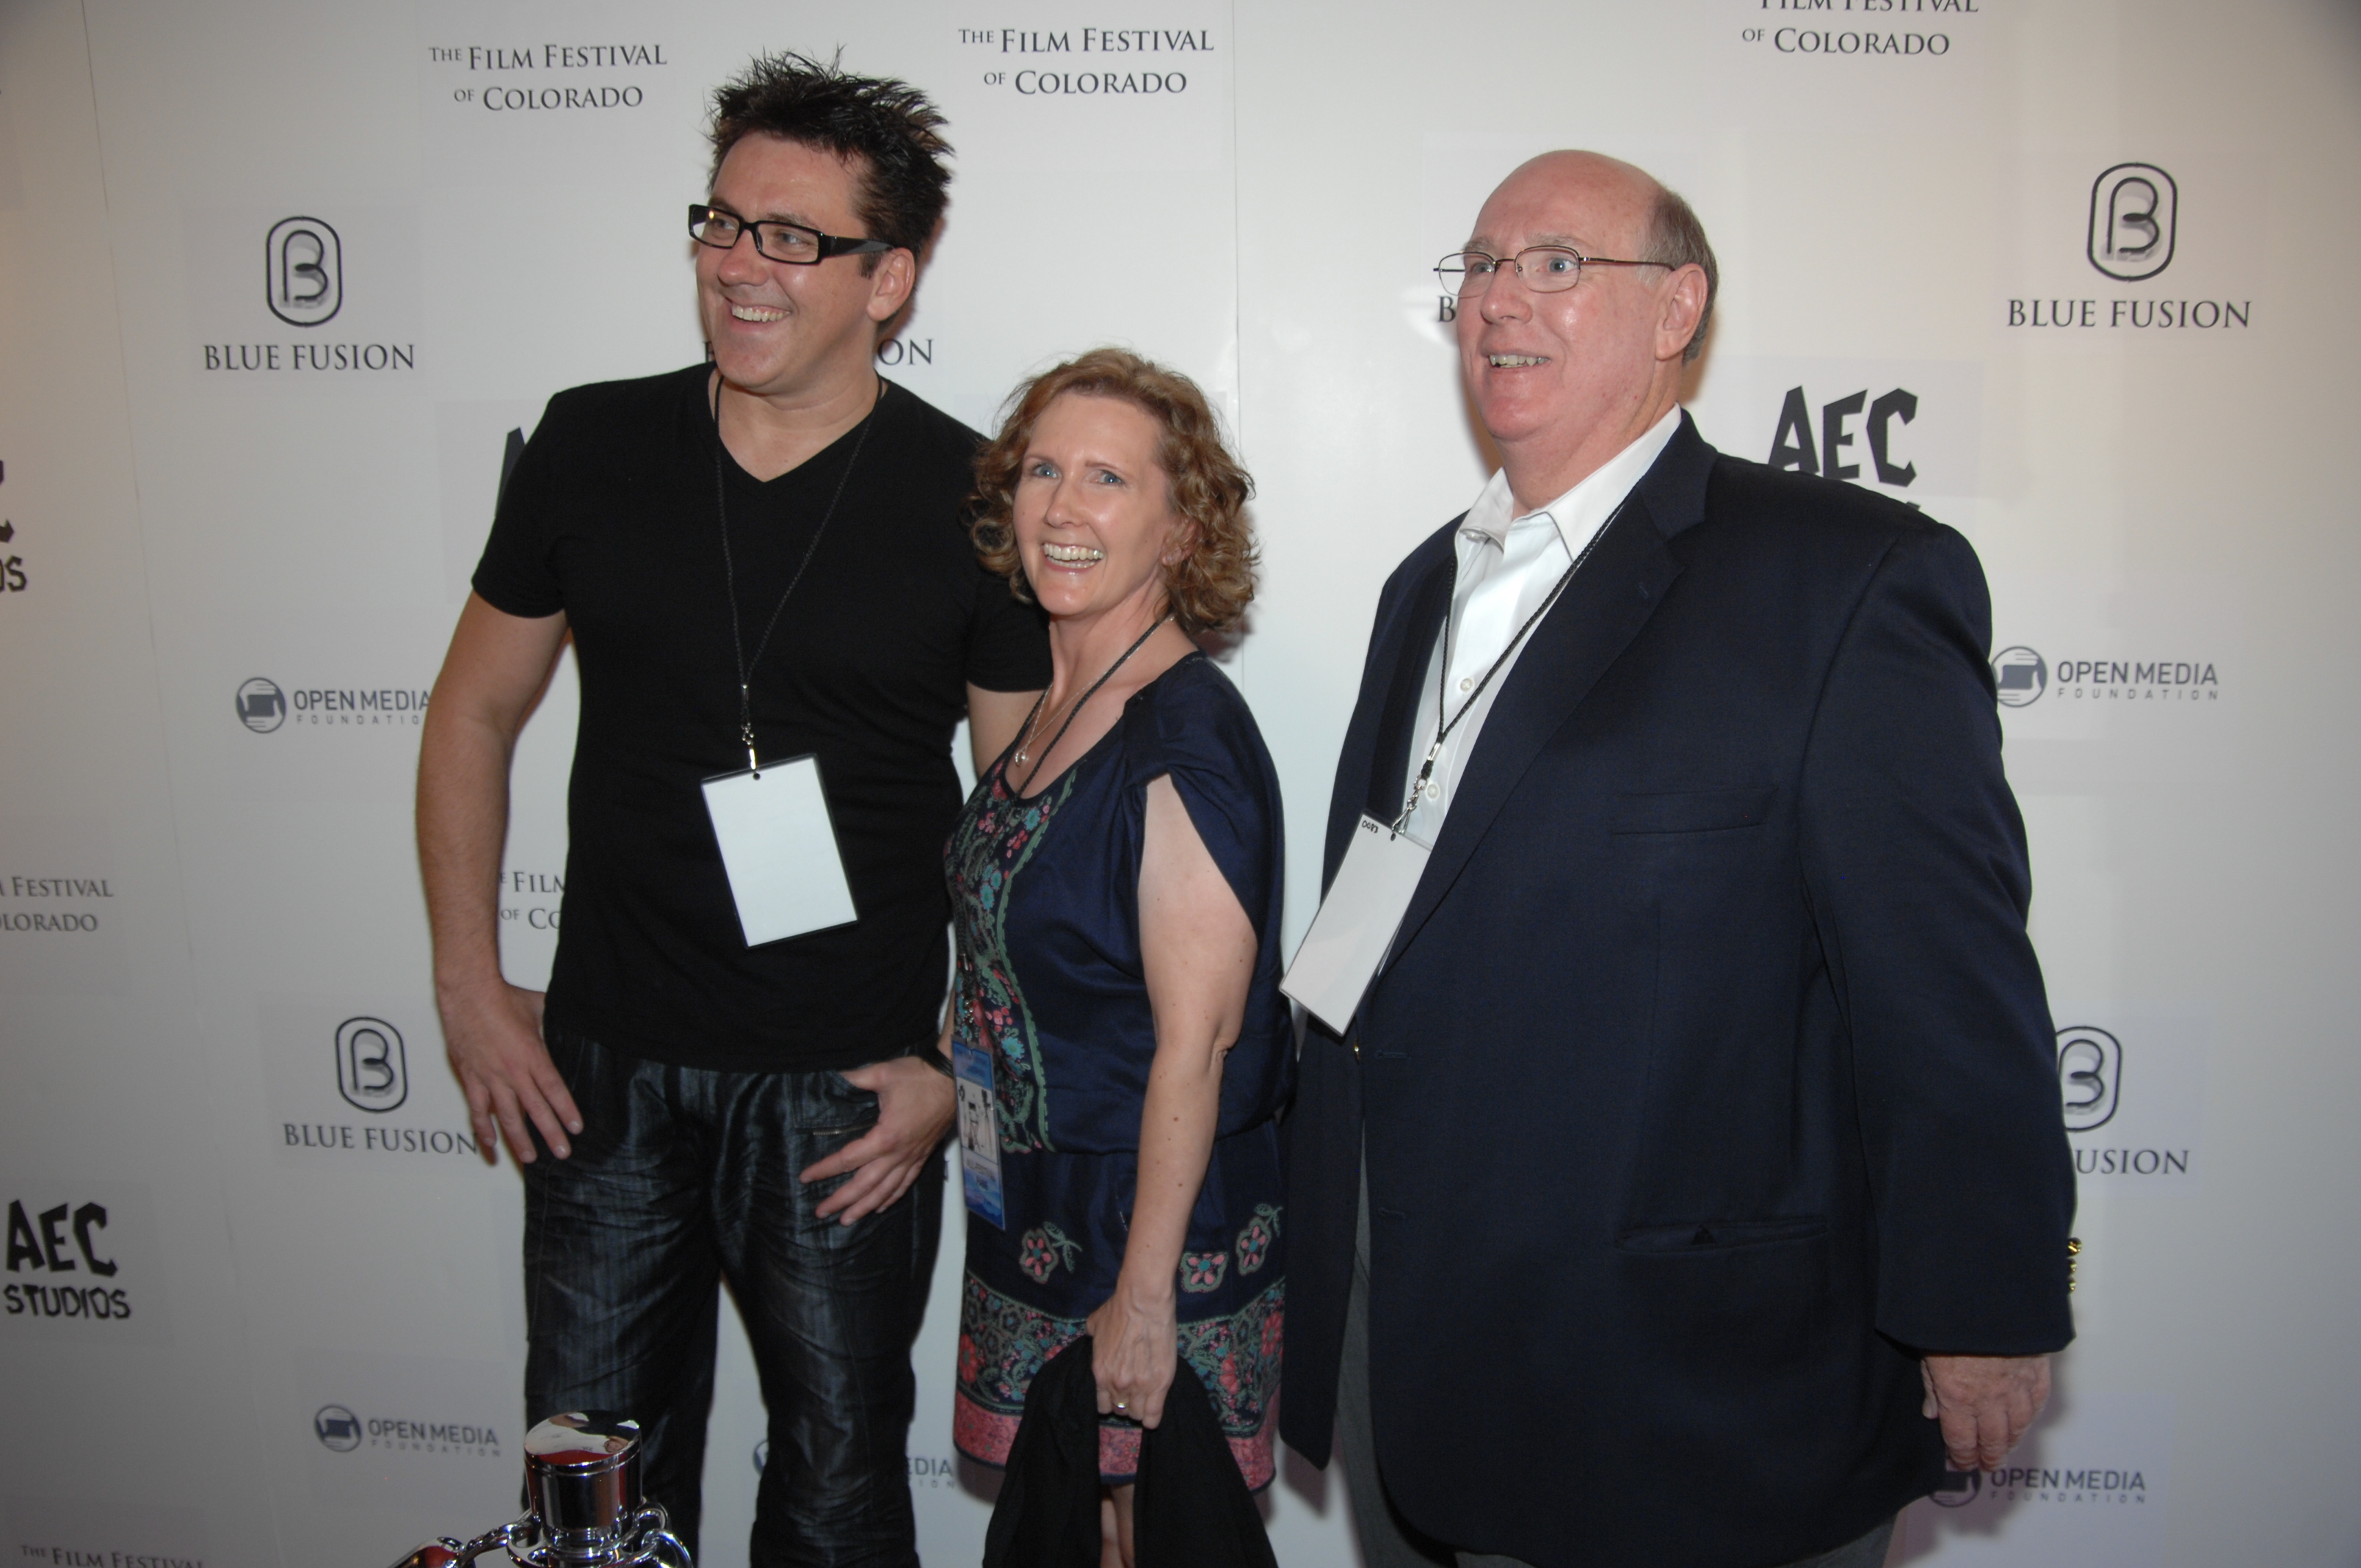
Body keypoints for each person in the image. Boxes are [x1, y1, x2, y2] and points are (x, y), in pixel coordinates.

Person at [1280, 151, 2078, 1568]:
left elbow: (1948, 985)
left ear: (1678, 310)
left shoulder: (1847, 580)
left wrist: (1982, 1306)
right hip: (1419, 1339)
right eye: (1478, 268)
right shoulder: (1423, 584)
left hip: (1695, 1387)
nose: (1499, 302)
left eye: (1559, 264)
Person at [414, 53, 1048, 1564]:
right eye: (723, 223)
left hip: (844, 1094)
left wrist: (963, 1062)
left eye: (794, 240)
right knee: (587, 1494)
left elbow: (1030, 822)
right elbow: (472, 714)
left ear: (890, 277)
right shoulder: (589, 442)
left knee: (835, 1497)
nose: (739, 268)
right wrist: (468, 988)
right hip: (602, 1071)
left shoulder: (977, 501)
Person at [937, 349, 1290, 1567]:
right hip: (1032, 1205)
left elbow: (1197, 1044)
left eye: (1107, 479)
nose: (1062, 508)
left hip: (1142, 1225)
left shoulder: (1182, 738)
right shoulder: (1051, 701)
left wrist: (1145, 1303)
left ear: (1182, 528)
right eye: (1042, 469)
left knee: (1147, 1534)